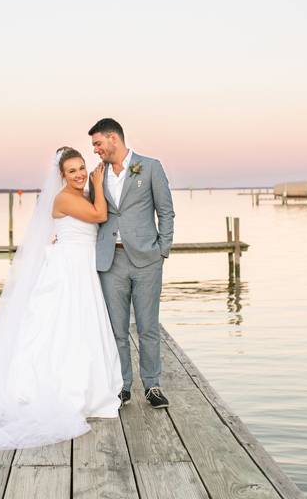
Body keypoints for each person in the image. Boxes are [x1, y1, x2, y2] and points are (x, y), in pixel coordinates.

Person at [0, 147, 122, 463]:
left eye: (82, 167)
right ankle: (53, 388)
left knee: (78, 327)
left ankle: (89, 383)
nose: (80, 174)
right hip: (69, 270)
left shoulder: (79, 195)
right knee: (61, 327)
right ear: (61, 175)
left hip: (80, 266)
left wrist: (93, 188)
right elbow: (99, 216)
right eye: (72, 171)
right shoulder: (65, 198)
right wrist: (98, 183)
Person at [89, 118, 175, 409]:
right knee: (117, 328)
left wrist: (162, 249)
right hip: (110, 261)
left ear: (113, 138)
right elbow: (93, 212)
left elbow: (166, 211)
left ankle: (152, 386)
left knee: (148, 326)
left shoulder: (150, 167)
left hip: (146, 260)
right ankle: (122, 385)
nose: (96, 150)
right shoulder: (96, 175)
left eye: (98, 144)